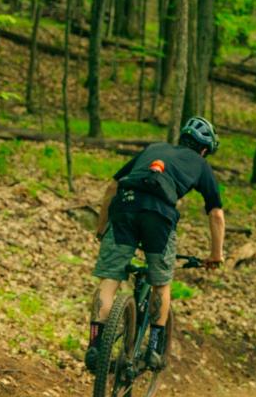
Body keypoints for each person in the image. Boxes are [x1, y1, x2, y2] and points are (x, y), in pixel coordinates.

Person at [88, 116, 226, 372]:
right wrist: (216, 254)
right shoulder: (201, 164)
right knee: (161, 284)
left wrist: (101, 225)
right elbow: (216, 214)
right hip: (159, 218)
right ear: (205, 150)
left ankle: (95, 346)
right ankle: (153, 349)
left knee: (109, 281)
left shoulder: (154, 148)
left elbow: (112, 186)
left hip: (125, 208)